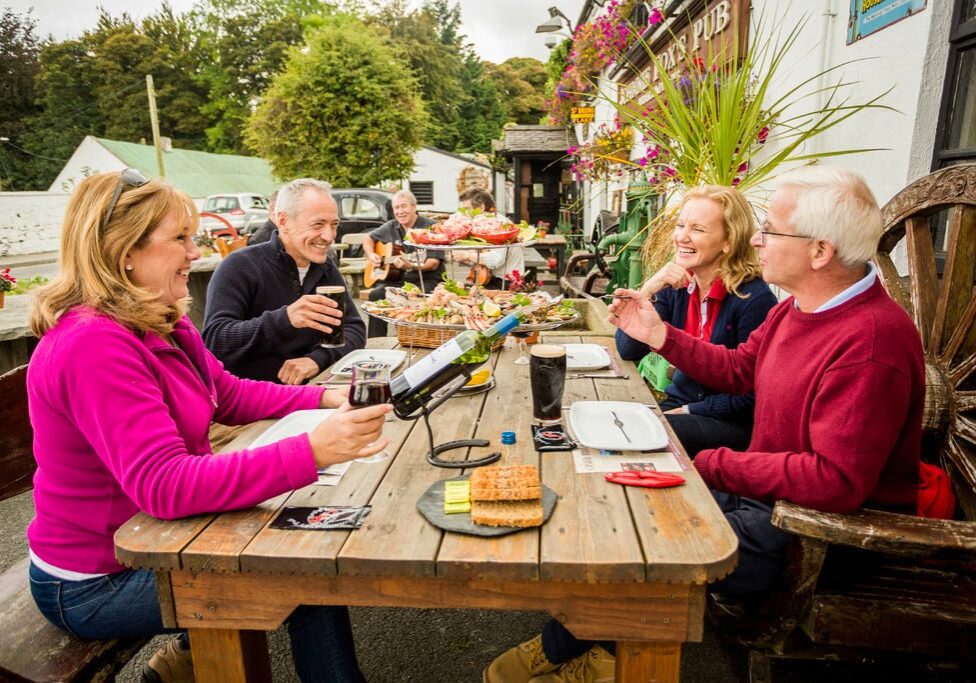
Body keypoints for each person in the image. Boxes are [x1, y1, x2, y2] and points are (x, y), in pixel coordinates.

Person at [485, 167, 925, 683]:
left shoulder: (870, 344)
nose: (756, 239)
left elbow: (835, 481)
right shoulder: (800, 311)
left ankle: (606, 658)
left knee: (647, 541)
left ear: (820, 251)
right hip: (767, 501)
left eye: (771, 229)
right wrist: (662, 336)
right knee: (625, 506)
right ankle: (583, 647)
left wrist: (710, 464)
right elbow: (740, 370)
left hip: (817, 537)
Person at [25, 170, 391, 683]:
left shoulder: (160, 318)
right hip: (97, 578)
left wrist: (329, 395)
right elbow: (165, 486)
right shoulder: (93, 343)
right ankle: (198, 655)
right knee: (304, 580)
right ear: (122, 249)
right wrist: (312, 451)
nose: (196, 253)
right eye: (181, 238)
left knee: (303, 557)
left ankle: (187, 659)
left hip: (156, 535)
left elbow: (229, 393)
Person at [615, 185, 777, 455]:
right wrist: (649, 288)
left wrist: (690, 410)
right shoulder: (675, 287)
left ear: (728, 241)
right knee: (619, 425)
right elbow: (628, 349)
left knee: (641, 436)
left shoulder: (753, 298)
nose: (682, 237)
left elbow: (754, 394)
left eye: (698, 230)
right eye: (680, 226)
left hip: (731, 422)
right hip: (679, 409)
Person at [203, 179, 366, 384]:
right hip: (255, 402)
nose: (329, 235)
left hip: (314, 391)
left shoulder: (324, 266)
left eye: (334, 225)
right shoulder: (240, 266)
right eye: (318, 224)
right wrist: (285, 319)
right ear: (283, 221)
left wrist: (317, 359)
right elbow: (215, 342)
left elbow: (354, 328)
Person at [363, 189, 445, 337]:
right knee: (376, 295)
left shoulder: (430, 227)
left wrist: (411, 266)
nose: (400, 211)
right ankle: (375, 342)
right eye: (396, 208)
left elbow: (433, 263)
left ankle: (414, 341)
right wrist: (372, 255)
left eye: (404, 206)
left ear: (414, 207)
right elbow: (368, 238)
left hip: (427, 280)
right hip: (398, 279)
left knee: (415, 298)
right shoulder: (391, 226)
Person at [450, 187, 525, 290]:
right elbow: (478, 259)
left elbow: (495, 260)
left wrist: (467, 255)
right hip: (487, 278)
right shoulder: (480, 224)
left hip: (506, 283)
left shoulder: (501, 225)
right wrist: (462, 257)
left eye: (467, 209)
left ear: (481, 207)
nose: (465, 213)